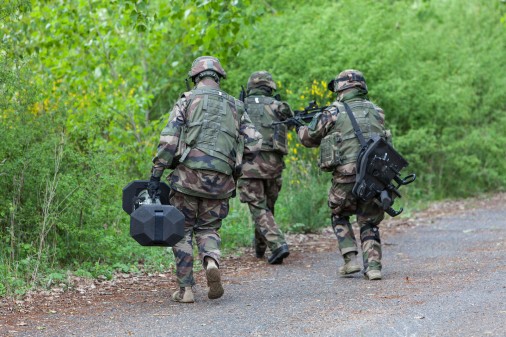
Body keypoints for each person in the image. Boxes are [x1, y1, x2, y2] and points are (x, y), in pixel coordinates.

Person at [148, 56, 262, 303]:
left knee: (182, 230)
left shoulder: (187, 100)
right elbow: (256, 141)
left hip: (187, 179)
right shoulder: (235, 105)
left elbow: (169, 141)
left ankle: (186, 289)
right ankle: (211, 261)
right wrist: (236, 166)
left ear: (195, 78)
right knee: (209, 228)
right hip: (221, 182)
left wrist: (156, 174)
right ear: (218, 78)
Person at [296, 69, 390, 280]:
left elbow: (309, 138)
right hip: (373, 177)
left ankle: (350, 260)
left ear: (340, 89)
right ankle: (374, 266)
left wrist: (299, 128)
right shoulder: (377, 111)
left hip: (345, 177)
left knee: (339, 214)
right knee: (369, 221)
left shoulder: (333, 112)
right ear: (362, 87)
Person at [237, 71, 293, 264]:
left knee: (258, 207)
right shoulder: (279, 106)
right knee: (266, 207)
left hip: (249, 163)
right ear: (270, 87)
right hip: (273, 165)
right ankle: (261, 248)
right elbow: (292, 124)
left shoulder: (239, 107)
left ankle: (277, 244)